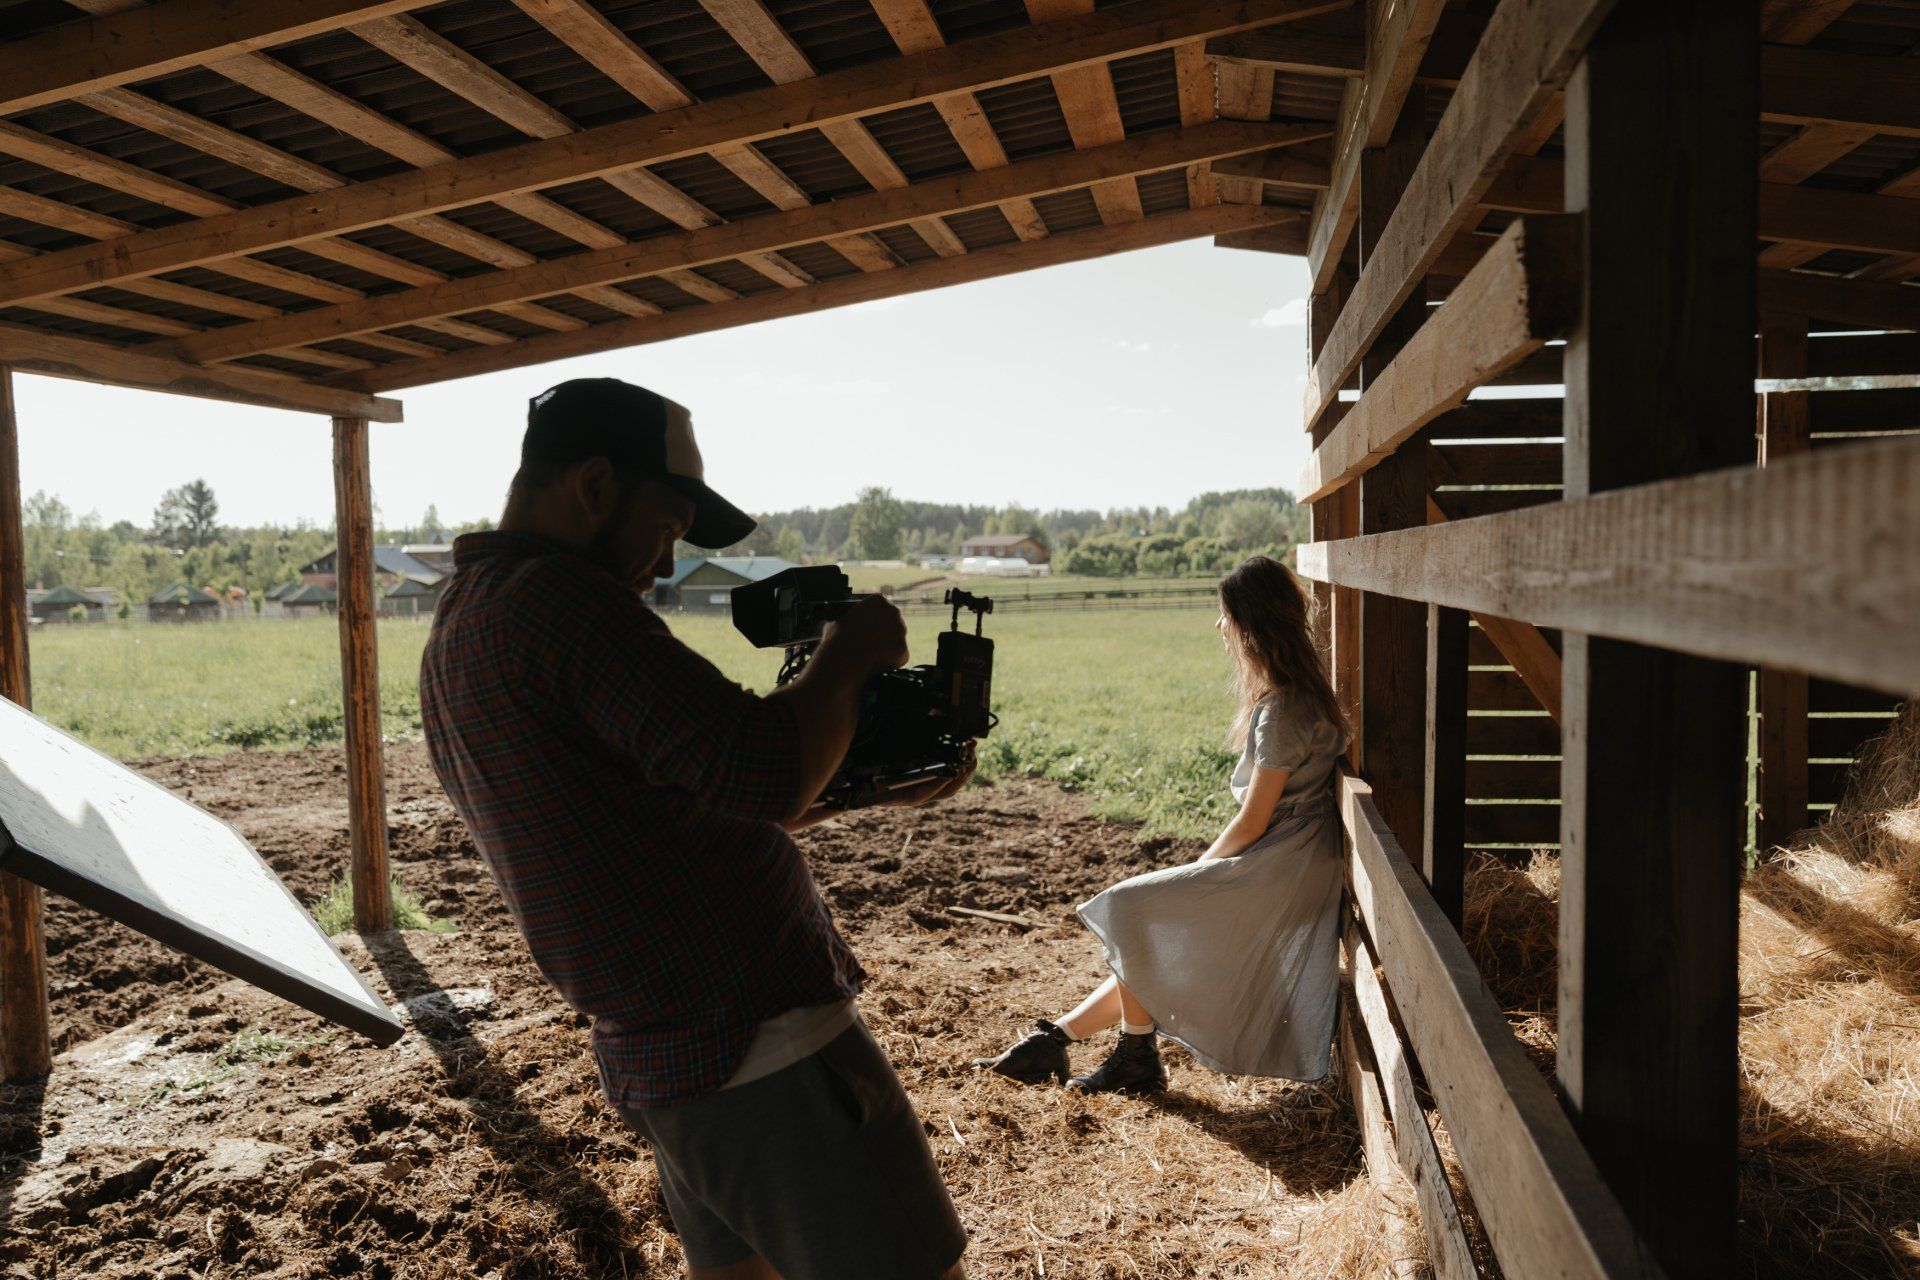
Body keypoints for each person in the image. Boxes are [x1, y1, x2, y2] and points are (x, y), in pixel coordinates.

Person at [419, 378, 972, 1280]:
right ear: (595, 486)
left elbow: (671, 799)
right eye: (667, 527)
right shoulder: (564, 604)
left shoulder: (466, 620)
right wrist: (853, 649)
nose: (665, 563)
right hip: (760, 1039)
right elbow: (764, 767)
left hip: (670, 1053)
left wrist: (864, 787)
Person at [973, 555, 1350, 1094]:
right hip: (1292, 855)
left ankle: (1136, 1060)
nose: (1218, 626)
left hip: (1284, 863)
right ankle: (1054, 1042)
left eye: (1224, 615)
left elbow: (1252, 819)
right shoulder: (1292, 699)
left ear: (1249, 625)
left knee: (1136, 906)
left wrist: (1196, 872)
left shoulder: (1283, 711)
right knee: (1147, 922)